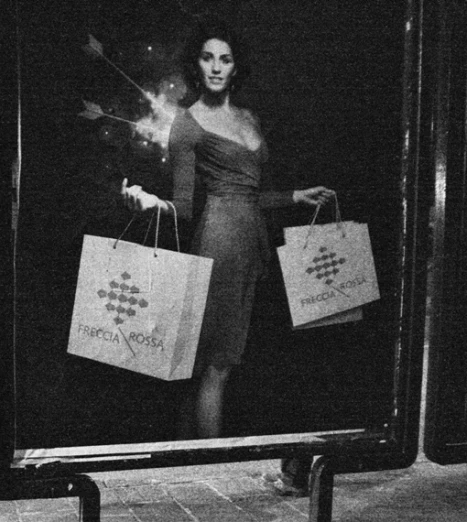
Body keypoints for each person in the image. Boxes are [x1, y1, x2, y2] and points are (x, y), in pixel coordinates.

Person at [121, 19, 334, 445]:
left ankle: (187, 456)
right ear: (196, 66)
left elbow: (248, 194)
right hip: (218, 243)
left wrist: (295, 196)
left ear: (236, 67)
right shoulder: (188, 123)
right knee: (218, 363)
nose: (216, 67)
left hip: (251, 241)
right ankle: (216, 468)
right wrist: (148, 202)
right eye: (207, 58)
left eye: (225, 58)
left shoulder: (248, 118)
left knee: (211, 365)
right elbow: (183, 208)